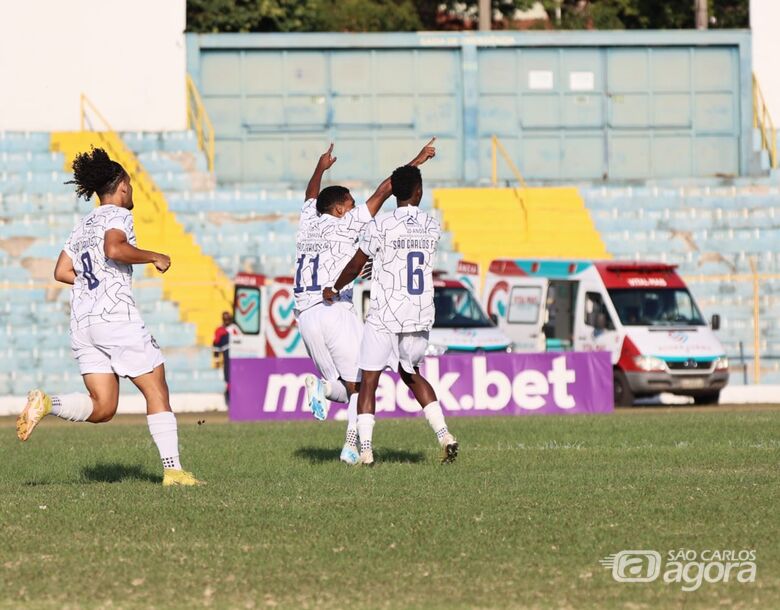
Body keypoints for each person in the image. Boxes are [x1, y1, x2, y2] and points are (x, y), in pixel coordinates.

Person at [15, 147, 202, 487]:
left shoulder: (83, 224)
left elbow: (61, 271)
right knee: (156, 389)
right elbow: (114, 249)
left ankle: (47, 402)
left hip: (83, 324)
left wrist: (91, 282)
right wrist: (153, 256)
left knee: (103, 407)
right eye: (130, 185)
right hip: (114, 318)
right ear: (122, 187)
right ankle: (174, 471)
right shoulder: (118, 215)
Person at [295, 140, 436, 465]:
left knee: (344, 390)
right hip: (332, 309)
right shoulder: (347, 223)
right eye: (352, 203)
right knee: (362, 380)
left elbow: (310, 196)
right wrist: (421, 158)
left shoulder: (307, 223)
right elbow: (389, 187)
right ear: (341, 209)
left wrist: (319, 167)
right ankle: (349, 446)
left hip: (304, 315)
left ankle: (330, 407)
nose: (358, 207)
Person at [323, 164, 458, 466]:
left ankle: (367, 451)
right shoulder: (432, 225)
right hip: (420, 313)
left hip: (385, 313)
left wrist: (334, 287)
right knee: (411, 375)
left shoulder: (380, 226)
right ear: (419, 192)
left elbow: (358, 264)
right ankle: (444, 435)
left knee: (368, 380)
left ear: (395, 192)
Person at [213, 311, 239, 403]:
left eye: (228, 319)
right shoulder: (219, 330)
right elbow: (216, 345)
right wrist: (216, 359)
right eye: (225, 319)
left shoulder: (235, 328)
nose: (227, 320)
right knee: (228, 378)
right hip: (226, 357)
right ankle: (229, 398)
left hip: (237, 356)